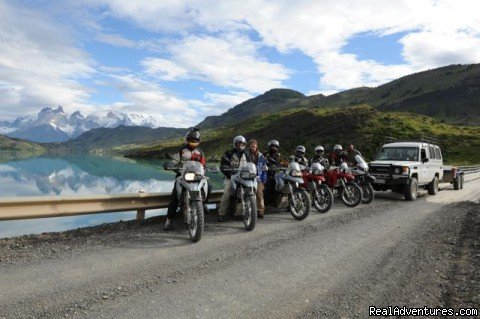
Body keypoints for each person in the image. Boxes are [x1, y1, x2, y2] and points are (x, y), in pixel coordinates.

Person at [164, 128, 207, 230]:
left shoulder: (200, 153)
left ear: (198, 141)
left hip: (196, 177)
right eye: (191, 141)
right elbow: (174, 162)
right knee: (174, 197)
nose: (193, 143)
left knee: (208, 186)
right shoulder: (181, 150)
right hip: (182, 175)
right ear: (187, 140)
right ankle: (169, 220)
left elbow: (203, 165)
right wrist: (174, 167)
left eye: (195, 141)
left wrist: (205, 170)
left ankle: (203, 205)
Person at [218, 135, 252, 222]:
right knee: (227, 191)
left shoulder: (247, 154)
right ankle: (221, 213)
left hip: (244, 177)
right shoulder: (229, 153)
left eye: (242, 143)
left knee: (251, 189)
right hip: (231, 177)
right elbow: (223, 165)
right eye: (238, 143)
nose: (240, 145)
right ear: (235, 144)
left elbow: (251, 165)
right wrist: (229, 173)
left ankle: (252, 211)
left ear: (244, 144)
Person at [247, 139, 267, 218]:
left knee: (259, 193)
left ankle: (261, 211)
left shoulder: (261, 156)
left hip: (259, 178)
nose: (253, 147)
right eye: (251, 146)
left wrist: (264, 179)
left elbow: (264, 169)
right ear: (249, 146)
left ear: (256, 146)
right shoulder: (245, 154)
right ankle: (247, 209)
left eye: (254, 146)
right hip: (248, 177)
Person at [264, 139, 287, 205]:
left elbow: (285, 162)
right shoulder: (266, 155)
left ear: (277, 147)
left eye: (275, 147)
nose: (274, 148)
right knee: (269, 184)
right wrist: (266, 167)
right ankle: (268, 202)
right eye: (272, 146)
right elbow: (262, 162)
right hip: (269, 174)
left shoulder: (280, 155)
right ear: (269, 147)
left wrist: (288, 164)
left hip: (280, 174)